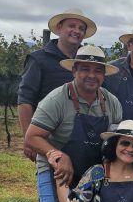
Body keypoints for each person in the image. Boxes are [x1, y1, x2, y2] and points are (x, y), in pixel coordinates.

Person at [23, 45, 123, 202]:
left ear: (104, 75)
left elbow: (113, 143)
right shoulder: (57, 99)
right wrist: (57, 155)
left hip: (92, 170)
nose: (92, 75)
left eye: (97, 71)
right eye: (85, 69)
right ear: (74, 71)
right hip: (55, 169)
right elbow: (32, 137)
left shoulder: (110, 103)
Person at [16, 9, 97, 161]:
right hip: (48, 138)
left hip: (81, 139)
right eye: (71, 26)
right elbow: (25, 101)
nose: (76, 31)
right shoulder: (38, 60)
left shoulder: (87, 63)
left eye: (81, 29)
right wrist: (29, 140)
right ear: (59, 28)